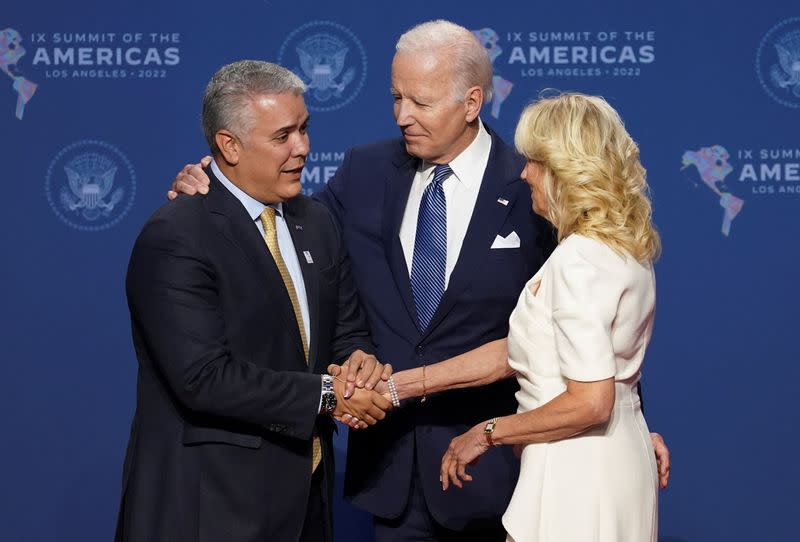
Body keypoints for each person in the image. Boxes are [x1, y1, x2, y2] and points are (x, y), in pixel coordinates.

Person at [170, 21, 669, 542]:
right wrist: (219, 188)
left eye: (421, 102)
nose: (402, 116)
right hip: (392, 471)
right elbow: (287, 236)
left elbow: (589, 316)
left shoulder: (534, 183)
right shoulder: (364, 172)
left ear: (472, 102)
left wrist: (625, 419)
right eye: (396, 97)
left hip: (500, 475)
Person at [116, 60, 392, 542]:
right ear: (229, 146)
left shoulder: (318, 222)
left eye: (305, 129)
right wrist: (331, 396)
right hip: (212, 511)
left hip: (306, 505)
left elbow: (346, 331)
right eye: (283, 136)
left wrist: (359, 365)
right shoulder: (177, 235)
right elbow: (203, 378)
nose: (303, 148)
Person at [410, 92, 661, 541]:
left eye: (535, 162)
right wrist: (405, 385)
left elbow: (590, 402)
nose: (524, 173)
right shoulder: (623, 249)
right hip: (612, 461)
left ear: (567, 171)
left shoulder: (580, 259)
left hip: (574, 473)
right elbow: (527, 351)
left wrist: (487, 432)